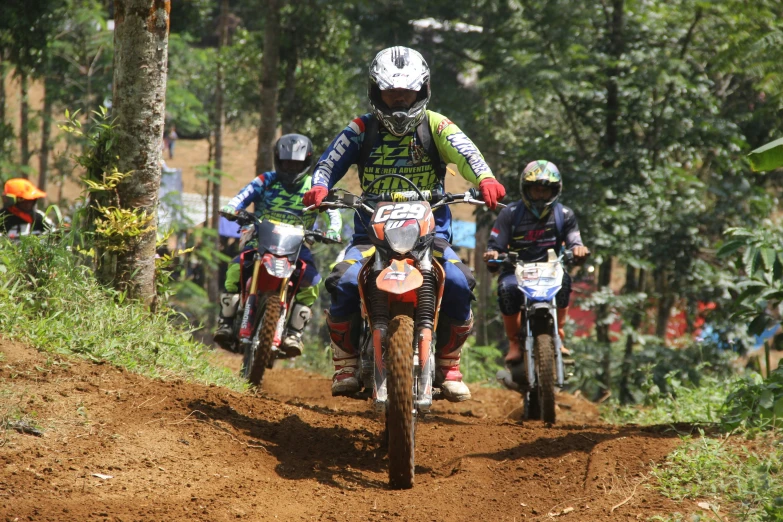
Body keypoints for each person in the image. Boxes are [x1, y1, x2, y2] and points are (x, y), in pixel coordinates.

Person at [303, 46, 507, 402]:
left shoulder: (436, 125)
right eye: (391, 94)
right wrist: (320, 185)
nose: (398, 102)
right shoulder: (360, 129)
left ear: (422, 91)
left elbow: (466, 151)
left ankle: (447, 362)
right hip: (371, 235)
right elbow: (329, 160)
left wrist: (486, 178)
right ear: (375, 92)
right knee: (343, 281)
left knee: (460, 282)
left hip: (432, 235)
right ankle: (347, 362)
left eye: (406, 94)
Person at [215, 133, 342, 356]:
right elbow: (241, 197)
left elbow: (333, 210)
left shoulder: (315, 186)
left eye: (297, 163)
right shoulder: (266, 180)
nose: (291, 168)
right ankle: (225, 322)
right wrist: (232, 208)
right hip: (260, 239)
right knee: (235, 268)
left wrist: (334, 229)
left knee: (311, 281)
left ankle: (294, 333)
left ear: (306, 162)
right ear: (277, 160)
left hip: (298, 245)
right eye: (286, 163)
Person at [483, 160, 589, 367]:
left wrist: (578, 248)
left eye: (545, 191)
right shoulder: (510, 214)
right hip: (516, 269)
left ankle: (558, 335)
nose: (540, 196)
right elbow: (495, 244)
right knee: (506, 288)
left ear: (555, 191)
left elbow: (575, 240)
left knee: (565, 281)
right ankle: (514, 343)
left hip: (550, 269)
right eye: (536, 190)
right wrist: (493, 254)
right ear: (526, 189)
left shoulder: (565, 215)